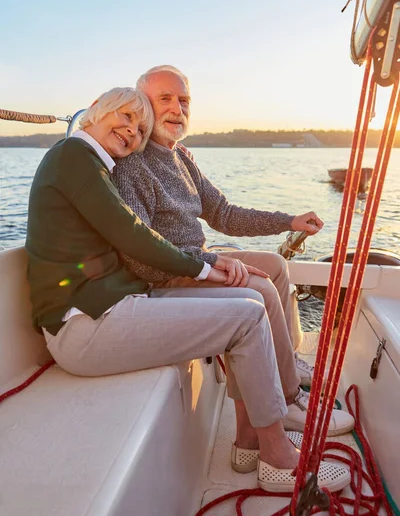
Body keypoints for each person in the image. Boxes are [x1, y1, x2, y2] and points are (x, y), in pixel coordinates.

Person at [25, 86, 351, 493]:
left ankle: (253, 439)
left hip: (111, 308)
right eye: (123, 116)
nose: (130, 130)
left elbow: (205, 217)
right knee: (249, 314)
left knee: (250, 302)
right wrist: (206, 268)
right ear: (94, 111)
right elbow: (134, 236)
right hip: (85, 326)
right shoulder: (75, 156)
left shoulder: (94, 163)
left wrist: (215, 262)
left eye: (138, 126)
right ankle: (278, 457)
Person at [112, 66, 331, 394]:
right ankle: (287, 396)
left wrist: (289, 221)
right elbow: (140, 259)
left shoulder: (181, 157)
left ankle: (285, 360)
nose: (177, 108)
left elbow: (224, 214)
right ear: (142, 105)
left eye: (184, 100)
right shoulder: (132, 163)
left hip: (197, 262)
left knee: (277, 267)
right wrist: (208, 265)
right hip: (165, 276)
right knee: (262, 290)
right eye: (165, 99)